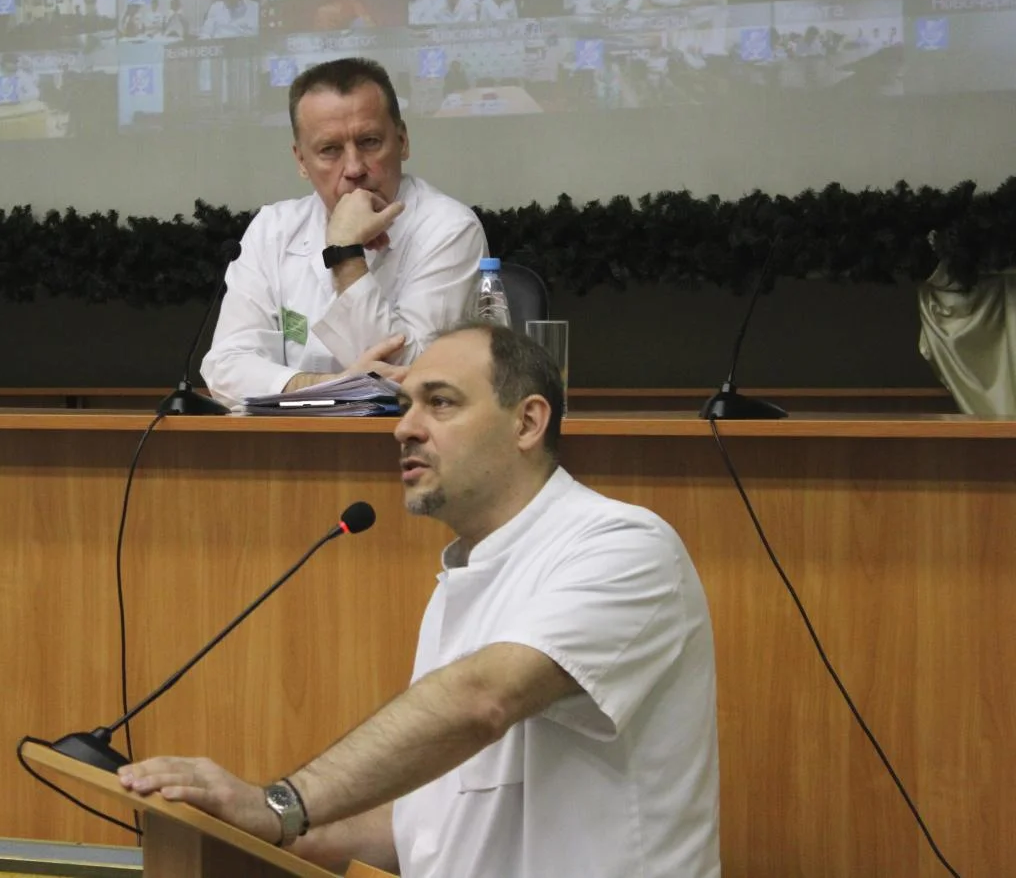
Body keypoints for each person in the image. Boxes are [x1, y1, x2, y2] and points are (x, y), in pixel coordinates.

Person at [124, 322, 722, 877]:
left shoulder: (625, 546)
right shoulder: (463, 575)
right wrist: (240, 831)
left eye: (440, 403)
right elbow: (431, 826)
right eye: (406, 404)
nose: (403, 428)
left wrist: (280, 805)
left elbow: (482, 700)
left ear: (527, 423)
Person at [197, 56, 487, 407]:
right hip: (287, 438)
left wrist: (346, 254)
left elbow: (417, 377)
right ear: (301, 161)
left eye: (369, 142)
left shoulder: (449, 228)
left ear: (402, 141)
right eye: (330, 150)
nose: (354, 168)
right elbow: (225, 365)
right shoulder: (273, 229)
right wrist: (333, 386)